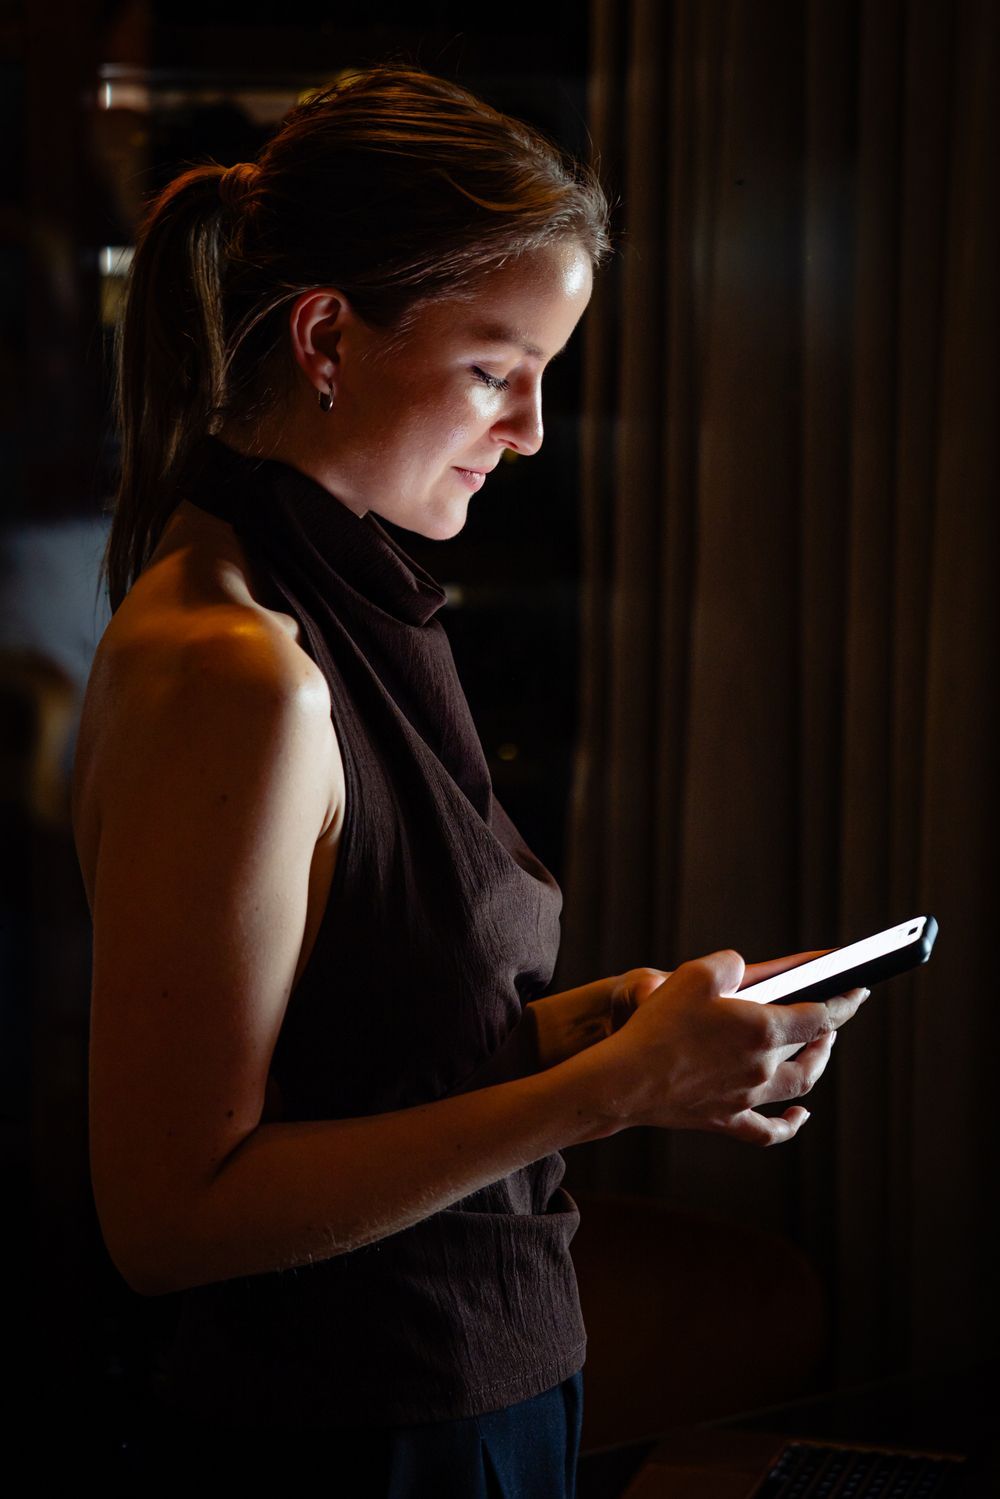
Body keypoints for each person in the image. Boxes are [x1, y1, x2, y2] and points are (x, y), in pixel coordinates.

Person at [71, 66, 866, 1495]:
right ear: (326, 337)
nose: (532, 431)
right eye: (497, 371)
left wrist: (607, 1037)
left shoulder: (349, 609)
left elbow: (353, 1064)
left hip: (460, 1397)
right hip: (353, 1444)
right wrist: (609, 1092)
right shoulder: (244, 673)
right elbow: (172, 1215)